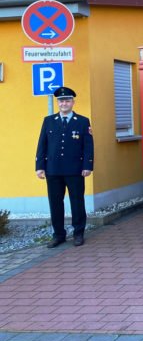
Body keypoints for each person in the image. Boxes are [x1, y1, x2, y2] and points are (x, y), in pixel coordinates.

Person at [35, 86, 93, 248]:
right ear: (58, 103)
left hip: (75, 169)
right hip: (53, 169)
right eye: (61, 101)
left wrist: (87, 165)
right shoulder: (49, 121)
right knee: (55, 203)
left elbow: (88, 146)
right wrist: (39, 166)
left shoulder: (82, 121)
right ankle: (58, 235)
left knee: (77, 202)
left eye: (67, 100)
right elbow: (42, 144)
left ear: (73, 102)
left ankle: (78, 233)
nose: (64, 103)